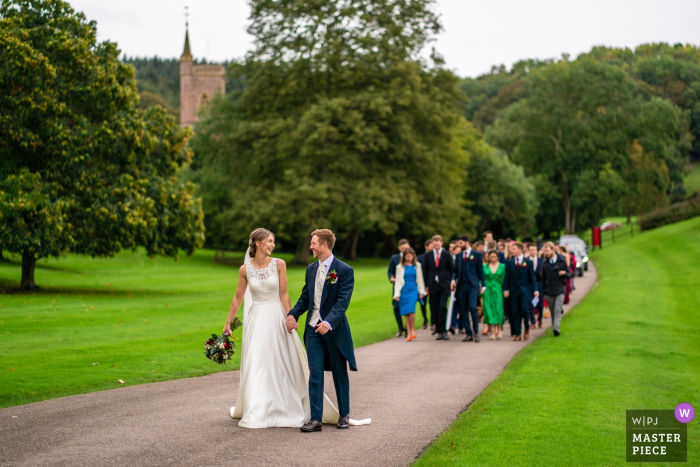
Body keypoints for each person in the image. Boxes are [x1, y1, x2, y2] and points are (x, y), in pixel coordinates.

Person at [226, 228, 340, 429]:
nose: (273, 245)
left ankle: (284, 406)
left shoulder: (279, 264)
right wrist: (228, 323)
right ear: (258, 243)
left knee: (280, 361)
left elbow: (284, 294)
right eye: (269, 241)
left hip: (276, 318)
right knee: (257, 362)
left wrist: (290, 317)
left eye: (273, 241)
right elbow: (238, 297)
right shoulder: (245, 269)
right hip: (256, 320)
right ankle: (257, 408)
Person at [287, 229, 362, 432]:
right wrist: (292, 314)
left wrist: (328, 322)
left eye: (313, 243)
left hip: (334, 331)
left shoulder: (344, 270)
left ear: (324, 245)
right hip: (313, 330)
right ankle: (315, 419)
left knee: (339, 373)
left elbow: (342, 302)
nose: (310, 246)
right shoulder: (311, 269)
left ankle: (344, 415)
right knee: (315, 373)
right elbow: (305, 298)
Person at [451, 235, 486, 343]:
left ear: (466, 242)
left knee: (472, 307)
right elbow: (455, 270)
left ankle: (476, 332)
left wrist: (483, 285)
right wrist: (453, 279)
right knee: (463, 310)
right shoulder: (459, 256)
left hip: (473, 285)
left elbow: (480, 270)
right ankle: (468, 333)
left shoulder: (477, 255)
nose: (459, 245)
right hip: (461, 286)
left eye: (460, 243)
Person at [503, 242, 539, 341]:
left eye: (513, 249)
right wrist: (505, 289)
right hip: (513, 290)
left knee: (524, 309)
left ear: (519, 249)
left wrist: (535, 290)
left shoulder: (528, 262)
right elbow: (507, 277)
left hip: (525, 290)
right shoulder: (510, 262)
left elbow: (532, 277)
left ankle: (526, 327)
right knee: (514, 312)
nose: (511, 250)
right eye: (511, 249)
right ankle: (518, 333)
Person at [423, 235, 454, 340]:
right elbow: (425, 271)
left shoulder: (446, 255)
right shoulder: (428, 255)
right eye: (434, 244)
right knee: (434, 308)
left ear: (441, 243)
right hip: (433, 285)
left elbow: (451, 269)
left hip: (444, 284)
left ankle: (444, 330)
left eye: (438, 244)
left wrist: (451, 282)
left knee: (442, 307)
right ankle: (439, 331)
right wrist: (426, 285)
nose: (436, 246)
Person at [540, 241, 573, 336]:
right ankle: (555, 325)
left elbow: (570, 274)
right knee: (553, 310)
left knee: (557, 309)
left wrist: (564, 274)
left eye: (547, 251)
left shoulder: (562, 261)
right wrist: (543, 292)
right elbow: (542, 279)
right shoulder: (545, 264)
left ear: (553, 250)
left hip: (559, 289)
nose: (546, 253)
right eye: (545, 251)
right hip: (548, 292)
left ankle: (556, 328)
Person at [393, 247, 426, 341]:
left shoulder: (417, 265)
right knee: (405, 312)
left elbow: (421, 279)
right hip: (404, 290)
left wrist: (421, 291)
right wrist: (397, 294)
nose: (409, 258)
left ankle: (413, 328)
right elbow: (398, 281)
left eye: (411, 256)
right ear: (404, 257)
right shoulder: (399, 267)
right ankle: (408, 331)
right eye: (407, 256)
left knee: (411, 310)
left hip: (413, 289)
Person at [388, 239, 410, 337]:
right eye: (402, 248)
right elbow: (390, 271)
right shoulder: (394, 258)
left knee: (408, 307)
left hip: (408, 286)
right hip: (397, 286)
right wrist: (391, 278)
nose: (404, 250)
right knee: (396, 307)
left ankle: (408, 329)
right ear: (399, 248)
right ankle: (401, 327)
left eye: (405, 248)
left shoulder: (411, 258)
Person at [482, 249, 505, 339]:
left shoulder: (502, 266)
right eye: (491, 257)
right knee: (489, 309)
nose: (493, 259)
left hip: (498, 288)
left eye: (494, 257)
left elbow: (503, 279)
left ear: (497, 257)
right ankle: (492, 331)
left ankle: (499, 330)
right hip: (488, 289)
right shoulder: (484, 266)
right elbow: (482, 278)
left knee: (498, 308)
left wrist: (504, 290)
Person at [416, 240, 432, 329]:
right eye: (431, 246)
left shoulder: (433, 256)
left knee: (432, 303)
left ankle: (433, 321)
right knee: (423, 303)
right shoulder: (420, 257)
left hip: (431, 283)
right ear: (426, 246)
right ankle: (425, 318)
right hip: (422, 283)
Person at [528, 243, 544, 328]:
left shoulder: (541, 261)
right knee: (530, 303)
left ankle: (540, 318)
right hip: (529, 285)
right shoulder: (526, 261)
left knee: (540, 304)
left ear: (537, 251)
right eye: (530, 250)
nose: (532, 251)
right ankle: (533, 322)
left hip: (539, 284)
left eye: (534, 250)